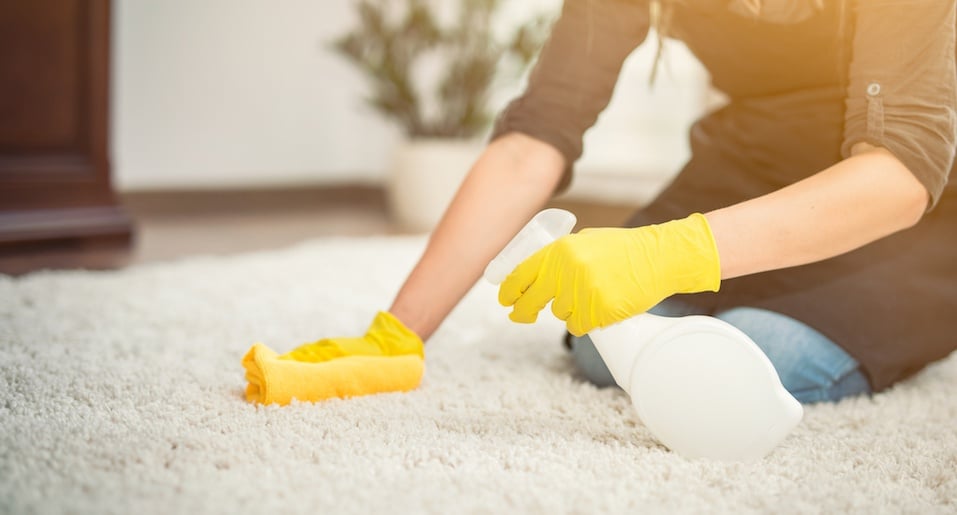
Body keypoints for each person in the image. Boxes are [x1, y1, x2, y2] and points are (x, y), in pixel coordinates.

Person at [248, 0, 957, 406]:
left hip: (904, 208)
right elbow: (537, 136)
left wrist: (669, 251)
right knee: (600, 343)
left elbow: (897, 174)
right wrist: (395, 335)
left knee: (747, 357)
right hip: (749, 161)